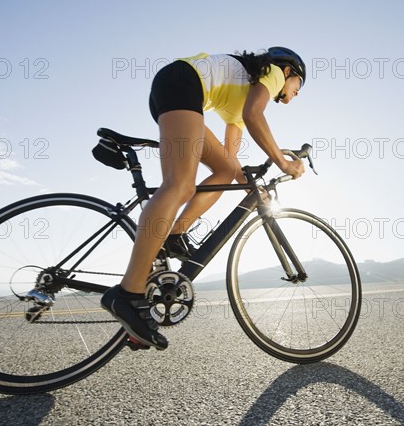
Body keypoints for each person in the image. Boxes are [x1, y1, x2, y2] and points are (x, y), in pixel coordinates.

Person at [101, 47, 307, 350]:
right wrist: (284, 163)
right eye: (298, 86)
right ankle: (128, 295)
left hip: (177, 88)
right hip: (182, 85)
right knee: (180, 186)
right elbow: (255, 115)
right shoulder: (273, 73)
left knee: (222, 170)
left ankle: (175, 233)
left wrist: (249, 185)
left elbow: (231, 160)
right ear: (288, 71)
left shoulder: (239, 94)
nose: (296, 93)